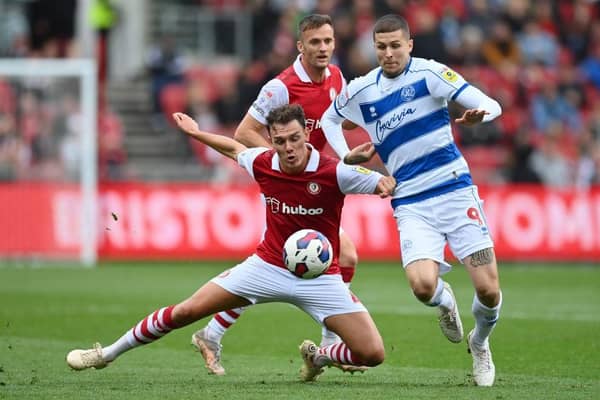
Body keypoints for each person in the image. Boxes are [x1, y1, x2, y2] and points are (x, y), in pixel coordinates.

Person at [66, 104, 395, 382]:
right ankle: (106, 353)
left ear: (306, 135)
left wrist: (384, 182)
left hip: (321, 278)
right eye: (280, 141)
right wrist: (195, 133)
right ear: (271, 140)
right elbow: (234, 148)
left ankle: (320, 356)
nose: (289, 147)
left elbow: (382, 183)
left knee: (372, 353)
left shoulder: (335, 172)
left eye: (295, 138)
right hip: (267, 266)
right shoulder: (265, 163)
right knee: (187, 311)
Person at [321, 14, 503, 387]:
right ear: (375, 48)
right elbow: (328, 120)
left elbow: (491, 103)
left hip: (453, 189)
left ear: (409, 45)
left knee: (488, 289)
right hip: (411, 202)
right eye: (381, 47)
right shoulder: (361, 89)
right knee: (422, 287)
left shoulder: (430, 73)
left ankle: (480, 343)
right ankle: (446, 301)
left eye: (395, 46)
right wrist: (347, 157)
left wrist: (478, 117)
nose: (388, 54)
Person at [191, 14, 362, 376]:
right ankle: (330, 342)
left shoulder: (335, 78)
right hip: (288, 183)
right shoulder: (280, 87)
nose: (323, 48)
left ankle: (213, 332)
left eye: (328, 41)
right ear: (300, 46)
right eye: (314, 42)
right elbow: (245, 131)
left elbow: (334, 122)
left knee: (283, 262)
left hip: (316, 188)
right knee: (331, 255)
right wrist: (282, 162)